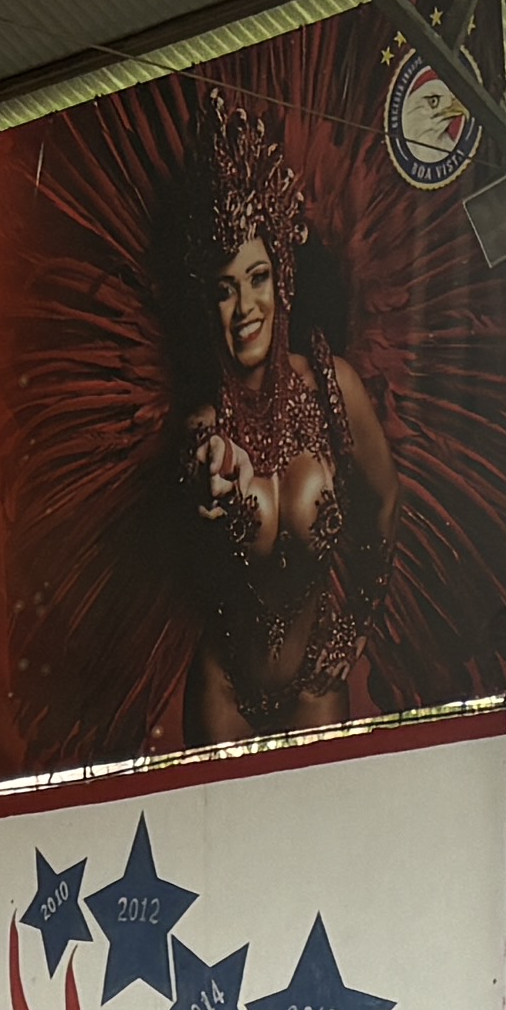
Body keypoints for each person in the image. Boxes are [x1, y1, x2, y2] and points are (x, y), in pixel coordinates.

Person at [155, 96, 388, 740]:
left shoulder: (334, 389)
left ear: (282, 276)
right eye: (225, 289)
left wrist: (357, 626)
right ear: (208, 304)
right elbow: (203, 471)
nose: (245, 307)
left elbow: (385, 502)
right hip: (222, 691)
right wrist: (215, 477)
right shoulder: (204, 425)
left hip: (316, 685)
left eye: (256, 278)